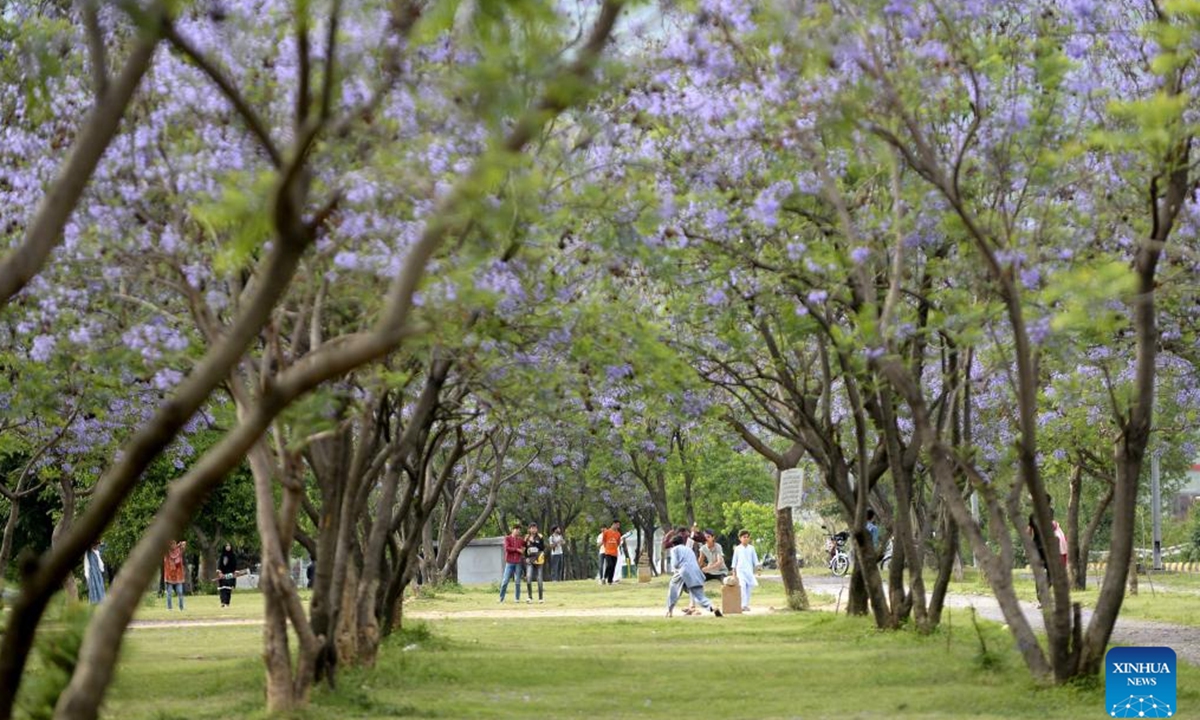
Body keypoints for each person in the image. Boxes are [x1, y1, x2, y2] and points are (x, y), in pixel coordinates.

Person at [665, 528, 722, 618]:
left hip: (683, 571)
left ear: (673, 543)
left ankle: (669, 611)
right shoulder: (688, 549)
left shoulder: (674, 549)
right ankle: (712, 606)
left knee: (673, 590)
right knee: (699, 595)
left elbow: (675, 564)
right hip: (696, 572)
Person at [731, 530, 759, 613]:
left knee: (748, 588)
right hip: (740, 571)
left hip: (749, 571)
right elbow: (734, 561)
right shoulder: (737, 549)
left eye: (747, 537)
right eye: (744, 537)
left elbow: (755, 560)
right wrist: (733, 572)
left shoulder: (751, 548)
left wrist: (758, 569)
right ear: (740, 538)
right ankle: (742, 605)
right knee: (742, 587)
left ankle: (746, 605)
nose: (746, 539)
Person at [499, 524, 525, 603]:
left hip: (518, 562)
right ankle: (501, 598)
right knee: (505, 580)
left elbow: (524, 546)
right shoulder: (507, 538)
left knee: (517, 581)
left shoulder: (521, 540)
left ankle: (517, 598)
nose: (518, 531)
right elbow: (507, 548)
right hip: (509, 562)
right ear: (512, 530)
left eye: (519, 529)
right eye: (516, 529)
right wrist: (517, 549)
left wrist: (523, 549)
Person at [524, 522, 547, 603]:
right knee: (529, 577)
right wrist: (526, 557)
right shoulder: (526, 537)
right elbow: (525, 549)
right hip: (530, 560)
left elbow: (542, 547)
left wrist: (533, 542)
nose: (533, 529)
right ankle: (530, 597)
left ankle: (540, 598)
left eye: (535, 528)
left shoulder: (540, 537)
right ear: (529, 529)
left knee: (539, 578)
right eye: (532, 528)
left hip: (538, 559)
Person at [163, 539, 187, 611]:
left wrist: (178, 545)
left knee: (180, 592)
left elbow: (184, 544)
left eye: (174, 544)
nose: (173, 546)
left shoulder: (178, 551)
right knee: (169, 593)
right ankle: (169, 608)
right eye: (171, 545)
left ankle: (181, 607)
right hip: (169, 576)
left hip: (178, 576)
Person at [600, 520, 622, 585]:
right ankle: (604, 577)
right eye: (617, 525)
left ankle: (610, 581)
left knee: (613, 567)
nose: (618, 526)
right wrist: (606, 547)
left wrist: (614, 547)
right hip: (608, 552)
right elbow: (604, 540)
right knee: (610, 565)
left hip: (615, 552)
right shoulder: (606, 532)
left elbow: (618, 542)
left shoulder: (618, 534)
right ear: (613, 524)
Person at [217, 543, 238, 608]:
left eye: (229, 546)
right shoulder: (222, 555)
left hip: (230, 574)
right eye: (227, 546)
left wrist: (235, 572)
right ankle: (222, 602)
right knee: (223, 588)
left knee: (228, 589)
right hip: (223, 574)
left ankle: (227, 603)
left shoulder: (233, 555)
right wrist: (220, 572)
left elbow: (235, 565)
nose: (228, 547)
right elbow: (219, 565)